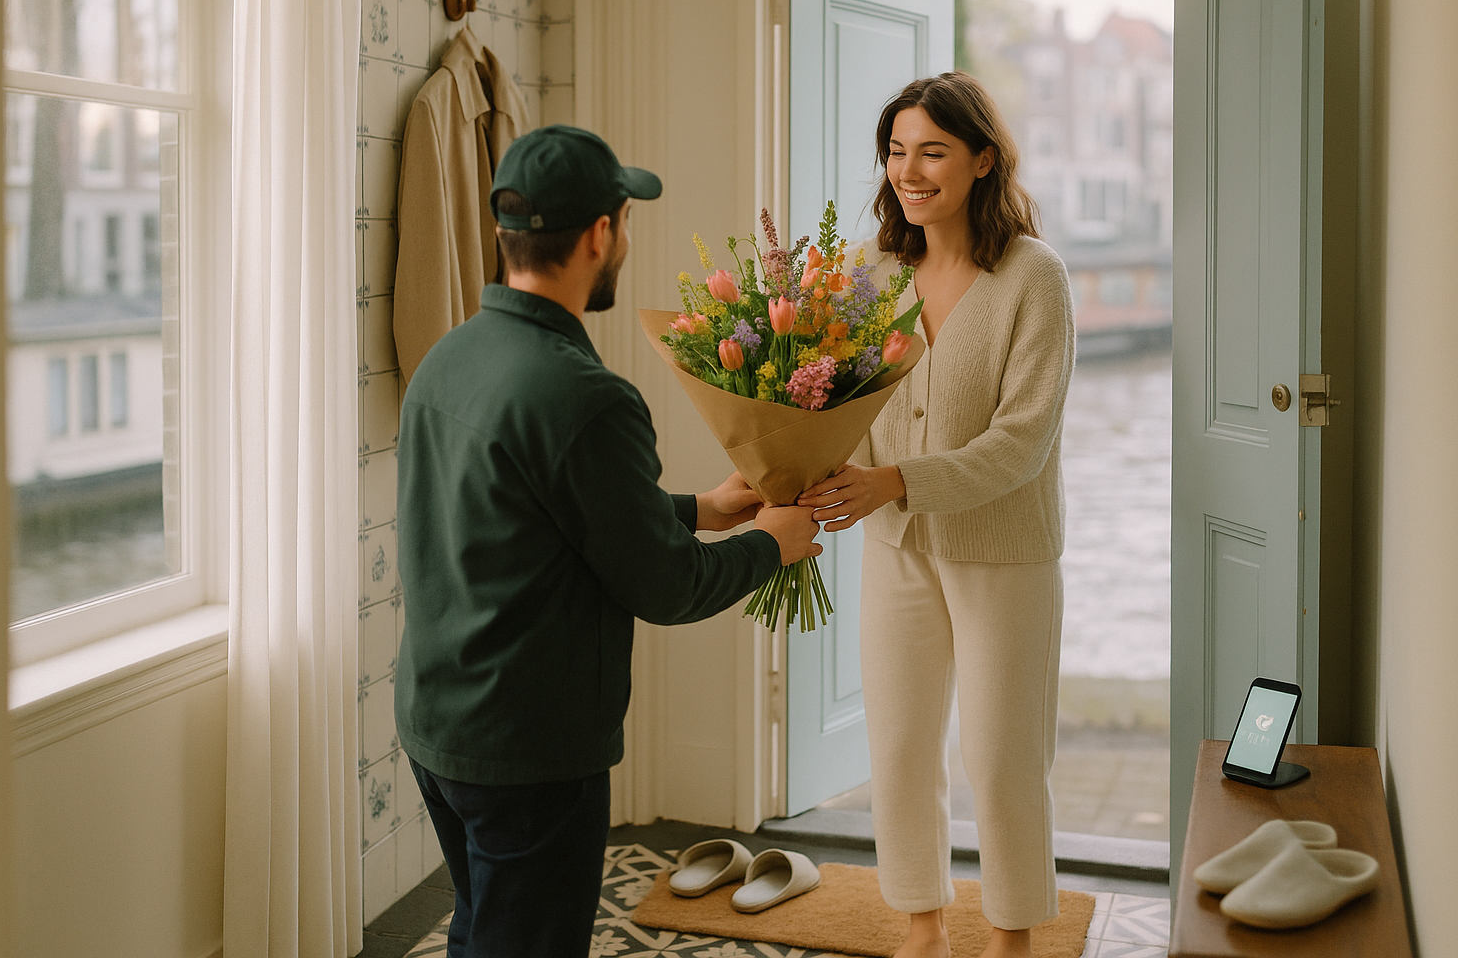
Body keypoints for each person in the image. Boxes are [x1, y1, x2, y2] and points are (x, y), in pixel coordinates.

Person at [394, 124, 822, 958]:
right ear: (600, 234)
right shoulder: (587, 395)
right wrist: (776, 540)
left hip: (440, 719)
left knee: (481, 928)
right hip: (531, 745)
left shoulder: (449, 358)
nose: (624, 241)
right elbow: (665, 587)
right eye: (624, 224)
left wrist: (698, 508)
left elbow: (531, 515)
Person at [800, 73, 1075, 958]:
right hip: (895, 545)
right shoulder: (876, 274)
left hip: (1004, 551)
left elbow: (1022, 443)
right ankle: (922, 925)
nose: (908, 171)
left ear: (983, 158)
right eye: (895, 150)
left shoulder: (1035, 277)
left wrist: (895, 483)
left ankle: (1016, 935)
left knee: (1000, 761)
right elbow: (842, 401)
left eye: (932, 151)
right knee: (904, 748)